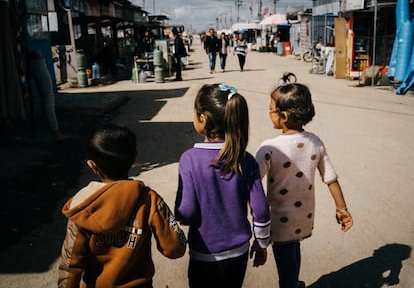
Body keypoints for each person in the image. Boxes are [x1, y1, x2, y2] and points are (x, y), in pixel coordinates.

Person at [58, 124, 187, 288]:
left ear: (92, 165)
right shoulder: (149, 200)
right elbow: (175, 249)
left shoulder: (82, 206)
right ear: (135, 157)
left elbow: (71, 263)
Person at [255, 83, 353, 288]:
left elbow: (253, 183)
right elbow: (331, 178)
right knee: (293, 249)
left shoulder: (268, 148)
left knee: (285, 261)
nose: (268, 112)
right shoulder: (315, 141)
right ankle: (294, 283)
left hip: (280, 219)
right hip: (303, 217)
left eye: (271, 108)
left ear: (283, 116)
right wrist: (341, 208)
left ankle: (290, 285)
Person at [175, 83, 271, 288]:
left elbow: (187, 210)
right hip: (239, 252)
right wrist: (262, 243)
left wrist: (180, 218)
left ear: (203, 119)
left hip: (204, 252)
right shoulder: (246, 159)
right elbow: (261, 210)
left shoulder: (190, 159)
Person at [27, 50, 70, 142]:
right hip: (34, 58)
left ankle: (52, 129)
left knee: (46, 97)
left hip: (31, 57)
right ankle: (55, 132)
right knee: (48, 97)